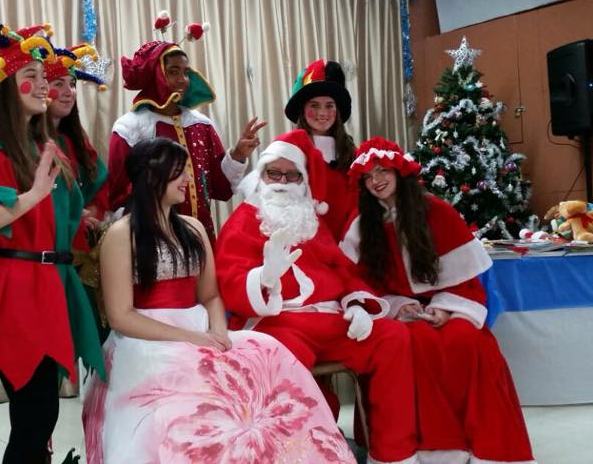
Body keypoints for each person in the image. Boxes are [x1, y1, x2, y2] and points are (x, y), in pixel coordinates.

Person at [82, 137, 355, 464]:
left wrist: (218, 333)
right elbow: (121, 316)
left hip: (200, 327)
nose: (187, 179)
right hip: (145, 339)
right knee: (185, 412)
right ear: (152, 175)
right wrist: (192, 338)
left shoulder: (193, 228)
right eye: (179, 172)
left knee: (269, 357)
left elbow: (210, 295)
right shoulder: (120, 234)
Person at [0, 22, 104, 463]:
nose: (42, 85)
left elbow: (64, 214)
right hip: (16, 287)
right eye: (29, 77)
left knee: (42, 415)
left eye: (43, 76)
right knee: (35, 416)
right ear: (3, 87)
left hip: (53, 282)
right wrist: (32, 195)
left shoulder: (43, 143)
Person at [216, 129, 418, 464]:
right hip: (278, 322)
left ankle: (392, 454)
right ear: (261, 176)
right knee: (279, 359)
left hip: (331, 319)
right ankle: (299, 454)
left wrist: (357, 304)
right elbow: (228, 282)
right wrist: (264, 278)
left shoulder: (310, 220)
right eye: (274, 173)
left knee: (392, 337)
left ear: (303, 181)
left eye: (292, 175)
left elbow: (343, 270)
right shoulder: (242, 222)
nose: (282, 182)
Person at [338, 136, 535, 464]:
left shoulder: (436, 211)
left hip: (449, 304)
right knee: (417, 343)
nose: (376, 181)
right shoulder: (361, 224)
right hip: (397, 313)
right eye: (368, 176)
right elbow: (355, 283)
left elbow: (468, 281)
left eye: (383, 171)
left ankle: (488, 448)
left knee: (467, 341)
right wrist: (397, 306)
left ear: (399, 172)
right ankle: (435, 448)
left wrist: (445, 308)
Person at [107, 14, 266, 242]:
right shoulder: (130, 128)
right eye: (173, 71)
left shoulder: (201, 124)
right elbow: (118, 197)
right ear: (155, 74)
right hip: (153, 242)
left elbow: (220, 189)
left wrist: (238, 154)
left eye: (185, 72)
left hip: (201, 240)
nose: (183, 79)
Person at [45, 43, 113, 398]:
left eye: (72, 84)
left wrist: (91, 214)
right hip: (49, 261)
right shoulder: (29, 143)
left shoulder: (75, 140)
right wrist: (73, 215)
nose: (69, 91)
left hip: (83, 259)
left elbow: (100, 187)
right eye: (58, 83)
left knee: (91, 340)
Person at [284, 58, 359, 239]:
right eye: (314, 105)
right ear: (303, 110)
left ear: (337, 111)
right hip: (305, 243)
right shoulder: (288, 151)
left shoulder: (352, 154)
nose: (322, 113)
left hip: (346, 242)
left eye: (329, 106)